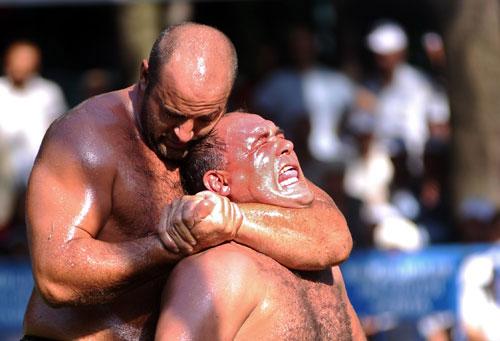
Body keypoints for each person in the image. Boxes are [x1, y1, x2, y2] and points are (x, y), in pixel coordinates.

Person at [23, 22, 352, 339]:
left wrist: (229, 221)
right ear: (145, 76)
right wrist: (170, 246)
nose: (185, 133)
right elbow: (56, 278)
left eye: (204, 117)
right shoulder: (87, 137)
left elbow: (333, 235)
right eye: (171, 112)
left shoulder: (226, 137)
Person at [156, 112, 366, 340]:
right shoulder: (219, 271)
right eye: (261, 142)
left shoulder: (323, 260)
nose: (287, 145)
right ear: (220, 182)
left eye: (280, 135)